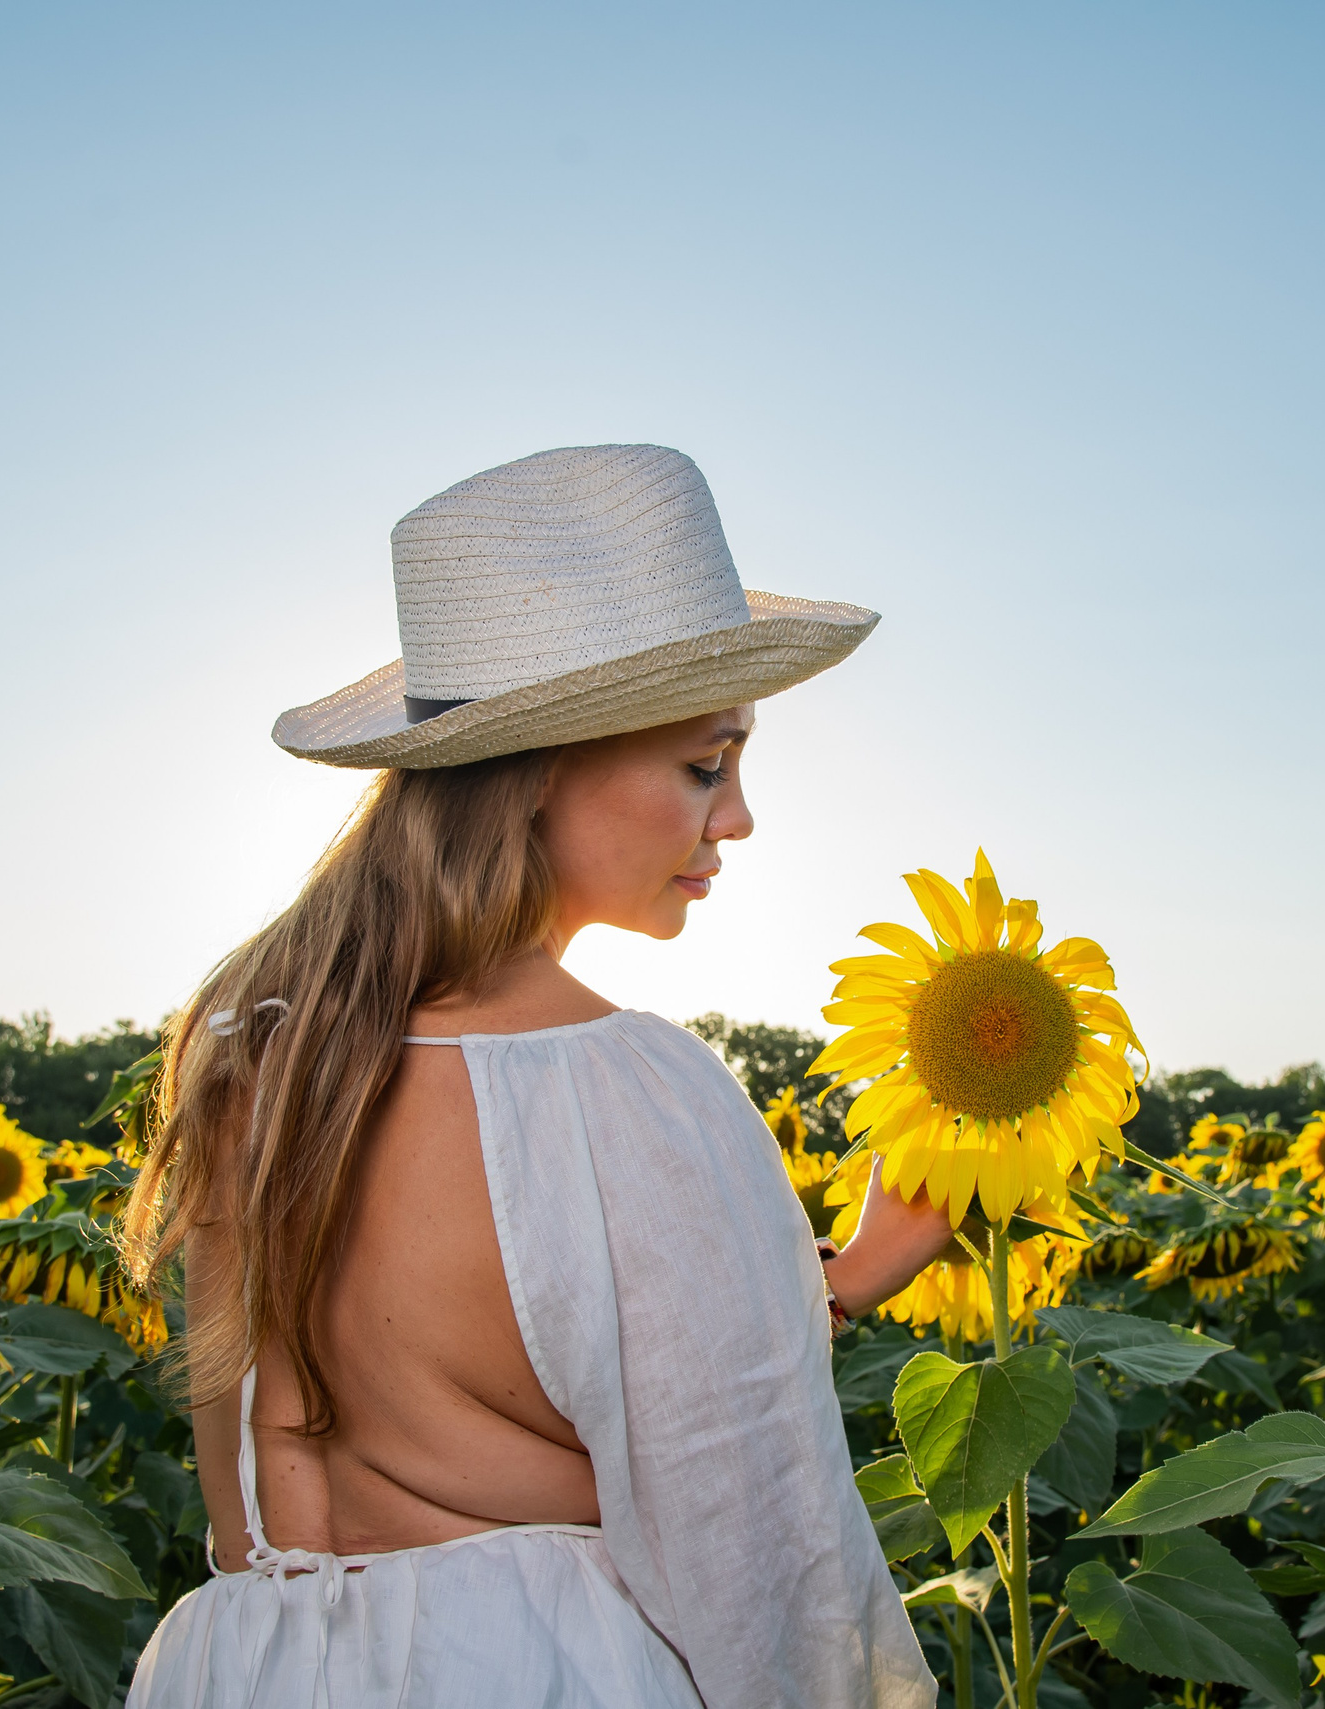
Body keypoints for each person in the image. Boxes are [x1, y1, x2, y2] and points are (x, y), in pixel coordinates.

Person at [122, 444, 953, 1708]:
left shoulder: (263, 1050)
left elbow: (260, 1507)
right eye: (703, 762)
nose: (735, 818)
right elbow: (747, 1541)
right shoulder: (629, 1087)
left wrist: (834, 1284)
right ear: (538, 773)